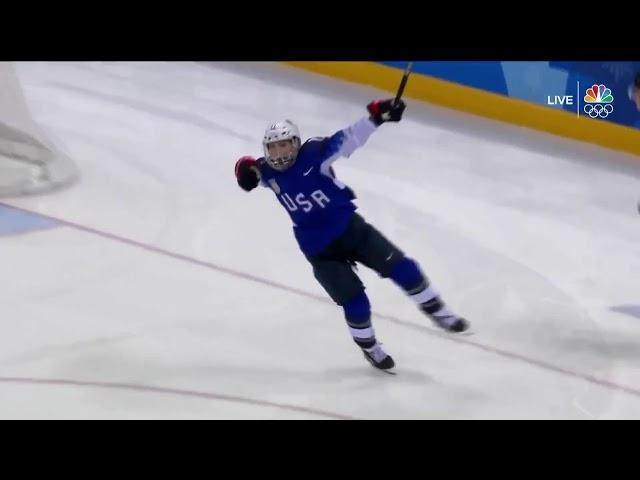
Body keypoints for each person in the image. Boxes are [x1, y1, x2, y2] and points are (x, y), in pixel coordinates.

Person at [234, 98, 469, 372]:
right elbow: (243, 168)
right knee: (356, 302)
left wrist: (376, 118)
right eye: (272, 147)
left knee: (403, 268)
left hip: (351, 230)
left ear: (296, 143)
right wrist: (244, 171)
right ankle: (371, 348)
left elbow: (349, 139)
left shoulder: (315, 154)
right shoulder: (266, 172)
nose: (279, 152)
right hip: (320, 251)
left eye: (284, 144)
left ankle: (438, 312)